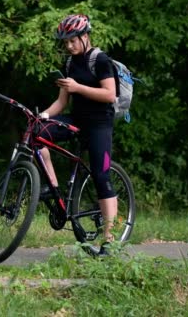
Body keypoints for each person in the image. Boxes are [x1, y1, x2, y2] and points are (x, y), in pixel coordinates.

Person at [39, 14, 117, 255]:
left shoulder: (100, 60)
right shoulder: (70, 64)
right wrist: (43, 116)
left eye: (73, 41)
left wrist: (78, 87)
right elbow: (62, 102)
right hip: (76, 120)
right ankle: (52, 189)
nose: (69, 46)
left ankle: (109, 239)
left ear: (85, 36)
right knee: (37, 135)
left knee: (101, 176)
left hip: (99, 124)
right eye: (66, 42)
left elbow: (109, 95)